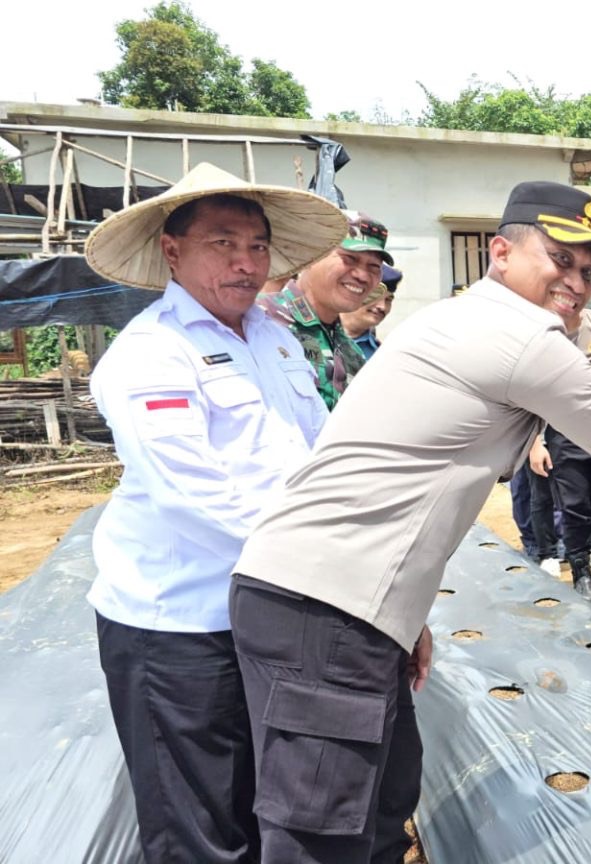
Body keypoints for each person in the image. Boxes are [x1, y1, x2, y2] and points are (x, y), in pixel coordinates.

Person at [227, 181, 591, 863]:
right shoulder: (521, 340)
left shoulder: (456, 320)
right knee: (319, 835)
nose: (576, 282)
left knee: (383, 801)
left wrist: (402, 620)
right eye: (559, 259)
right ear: (500, 251)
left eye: (588, 270)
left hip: (344, 602)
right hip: (326, 607)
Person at [81, 162, 345, 862]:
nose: (246, 262)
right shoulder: (151, 353)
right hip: (180, 628)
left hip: (265, 610)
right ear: (173, 251)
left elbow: (319, 451)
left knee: (261, 800)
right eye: (222, 243)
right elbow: (195, 498)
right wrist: (325, 571)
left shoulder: (274, 337)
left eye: (257, 245)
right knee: (198, 826)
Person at [526, 257, 591, 601]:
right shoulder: (537, 333)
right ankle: (581, 571)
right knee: (573, 507)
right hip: (563, 435)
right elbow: (527, 395)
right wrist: (535, 443)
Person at [258, 212, 393, 408]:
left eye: (374, 267)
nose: (363, 276)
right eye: (349, 259)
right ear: (312, 256)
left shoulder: (350, 350)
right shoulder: (260, 321)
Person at [339, 264, 401, 359]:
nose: (382, 307)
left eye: (388, 300)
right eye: (376, 296)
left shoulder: (380, 355)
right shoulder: (314, 336)